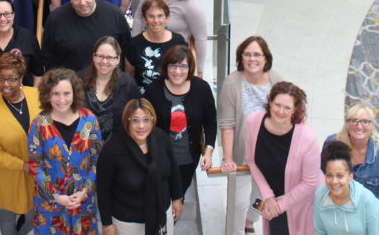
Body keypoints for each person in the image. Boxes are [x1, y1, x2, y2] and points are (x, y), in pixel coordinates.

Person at [218, 36, 284, 235]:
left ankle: (250, 220)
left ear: (266, 58)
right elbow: (227, 124)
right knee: (238, 202)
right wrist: (228, 158)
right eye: (247, 54)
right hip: (243, 155)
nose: (252, 59)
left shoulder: (276, 80)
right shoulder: (232, 83)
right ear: (241, 57)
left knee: (261, 197)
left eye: (257, 54)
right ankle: (235, 230)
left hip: (269, 155)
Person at [27, 69, 103, 234]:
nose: (62, 100)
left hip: (82, 201)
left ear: (75, 93)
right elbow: (34, 164)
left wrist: (84, 192)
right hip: (49, 202)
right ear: (47, 95)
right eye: (56, 94)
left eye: (67, 93)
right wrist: (55, 195)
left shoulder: (89, 120)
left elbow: (97, 160)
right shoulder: (39, 124)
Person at [245, 81, 322, 235]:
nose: (281, 111)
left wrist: (279, 206)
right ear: (270, 103)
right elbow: (251, 161)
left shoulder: (307, 138)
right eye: (277, 105)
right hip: (273, 202)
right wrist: (268, 196)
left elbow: (310, 182)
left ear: (295, 111)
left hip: (302, 204)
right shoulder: (253, 122)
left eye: (287, 107)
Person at [98, 99, 184, 235]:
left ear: (152, 120)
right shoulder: (112, 150)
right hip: (127, 223)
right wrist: (107, 224)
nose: (141, 126)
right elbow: (103, 190)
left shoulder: (161, 138)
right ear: (127, 121)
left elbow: (173, 169)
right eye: (135, 120)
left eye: (146, 119)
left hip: (162, 214)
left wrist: (177, 198)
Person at [0, 54, 42, 235]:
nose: (5, 84)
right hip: (7, 175)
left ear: (21, 78)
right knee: (7, 220)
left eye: (11, 79)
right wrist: (21, 165)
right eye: (1, 78)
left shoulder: (36, 96)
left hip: (36, 173)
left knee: (33, 216)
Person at [144, 45, 216, 195]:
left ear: (190, 68)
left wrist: (208, 152)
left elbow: (210, 123)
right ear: (166, 67)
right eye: (173, 66)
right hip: (159, 159)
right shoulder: (153, 90)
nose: (177, 72)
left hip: (188, 160)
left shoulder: (201, 88)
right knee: (160, 198)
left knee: (178, 197)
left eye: (183, 66)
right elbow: (144, 125)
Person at [323, 103, 379, 235]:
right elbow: (322, 177)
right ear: (347, 124)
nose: (359, 126)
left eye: (365, 122)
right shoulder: (332, 145)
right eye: (354, 121)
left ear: (371, 125)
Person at [133, 0, 207, 77]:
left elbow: (201, 38)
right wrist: (134, 47)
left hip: (175, 64)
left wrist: (199, 72)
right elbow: (139, 17)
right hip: (147, 57)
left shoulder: (191, 4)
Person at [41, 0, 131, 72]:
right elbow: (48, 58)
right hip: (70, 83)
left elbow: (126, 51)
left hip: (108, 81)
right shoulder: (55, 20)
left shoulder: (114, 14)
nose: (82, 2)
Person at [314, 141, 379, 235]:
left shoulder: (368, 201)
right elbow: (320, 232)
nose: (334, 181)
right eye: (329, 175)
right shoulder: (320, 195)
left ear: (350, 176)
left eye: (340, 176)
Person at [80, 36, 139, 144]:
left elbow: (136, 118)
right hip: (81, 148)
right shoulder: (78, 81)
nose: (104, 61)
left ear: (117, 59)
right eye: (100, 56)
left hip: (116, 149)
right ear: (93, 57)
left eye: (110, 57)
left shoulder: (128, 85)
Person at [127, 0, 187, 93]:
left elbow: (185, 72)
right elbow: (129, 76)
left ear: (167, 18)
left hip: (171, 96)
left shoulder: (178, 41)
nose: (156, 21)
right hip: (144, 101)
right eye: (151, 16)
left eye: (160, 16)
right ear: (144, 19)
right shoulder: (134, 44)